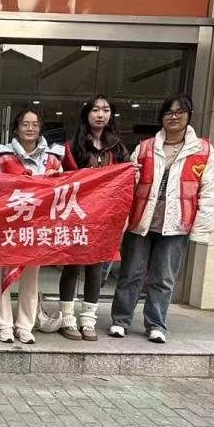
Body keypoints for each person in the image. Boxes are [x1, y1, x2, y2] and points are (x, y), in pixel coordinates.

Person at [109, 95, 214, 343]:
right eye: (169, 112)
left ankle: (156, 324)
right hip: (141, 220)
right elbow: (127, 185)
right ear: (161, 117)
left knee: (163, 277)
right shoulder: (145, 147)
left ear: (189, 116)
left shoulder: (203, 150)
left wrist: (201, 227)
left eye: (180, 112)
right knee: (131, 273)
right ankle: (120, 320)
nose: (174, 117)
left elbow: (209, 190)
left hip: (177, 223)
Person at [0, 108, 63, 345]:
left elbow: (64, 191)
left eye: (35, 124)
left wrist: (55, 179)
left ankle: (25, 325)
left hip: (37, 229)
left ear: (40, 128)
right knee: (3, 278)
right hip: (7, 227)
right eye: (25, 124)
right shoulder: (1, 157)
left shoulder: (53, 159)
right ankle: (4, 325)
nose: (30, 128)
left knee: (31, 278)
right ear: (16, 128)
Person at [56, 95, 129, 341]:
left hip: (104, 217)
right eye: (95, 110)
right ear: (86, 114)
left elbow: (124, 183)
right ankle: (67, 318)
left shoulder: (118, 148)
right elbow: (63, 180)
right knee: (72, 264)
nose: (100, 114)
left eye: (106, 110)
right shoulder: (72, 147)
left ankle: (88, 320)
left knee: (96, 267)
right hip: (77, 215)